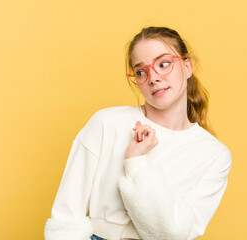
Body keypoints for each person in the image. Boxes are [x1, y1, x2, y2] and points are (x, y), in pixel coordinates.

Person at [44, 26, 232, 240]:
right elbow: (65, 219)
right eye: (141, 71)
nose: (153, 78)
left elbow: (172, 233)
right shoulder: (107, 123)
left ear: (187, 67)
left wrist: (136, 162)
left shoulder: (214, 154)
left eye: (163, 64)